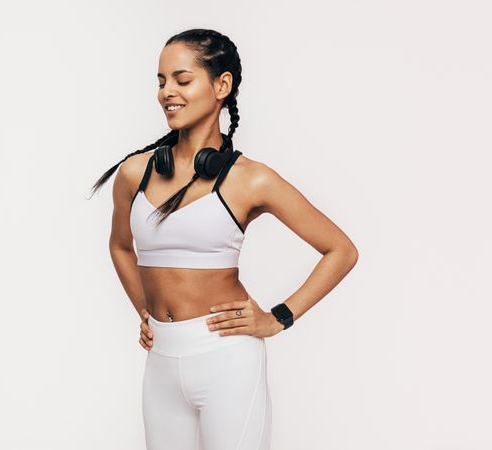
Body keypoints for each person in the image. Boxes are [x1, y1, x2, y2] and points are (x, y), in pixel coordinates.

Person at [90, 28, 358, 450]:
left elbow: (340, 250)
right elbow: (121, 246)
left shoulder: (250, 179)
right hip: (161, 361)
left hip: (227, 359)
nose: (167, 93)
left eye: (182, 80)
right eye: (161, 82)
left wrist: (277, 318)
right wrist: (144, 309)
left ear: (222, 85)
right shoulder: (134, 173)